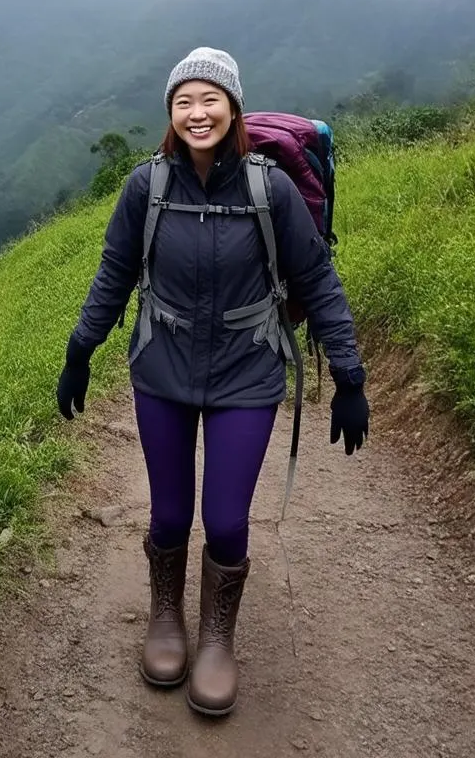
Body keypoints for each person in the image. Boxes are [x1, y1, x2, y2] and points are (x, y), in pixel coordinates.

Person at [56, 47, 369, 717]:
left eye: (210, 100)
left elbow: (317, 280)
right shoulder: (147, 186)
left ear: (232, 108)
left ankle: (218, 637)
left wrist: (349, 375)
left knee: (225, 519)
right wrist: (80, 349)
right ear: (171, 113)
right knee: (169, 513)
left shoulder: (269, 188)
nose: (197, 113)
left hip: (246, 373)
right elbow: (114, 272)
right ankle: (166, 616)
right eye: (184, 102)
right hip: (161, 368)